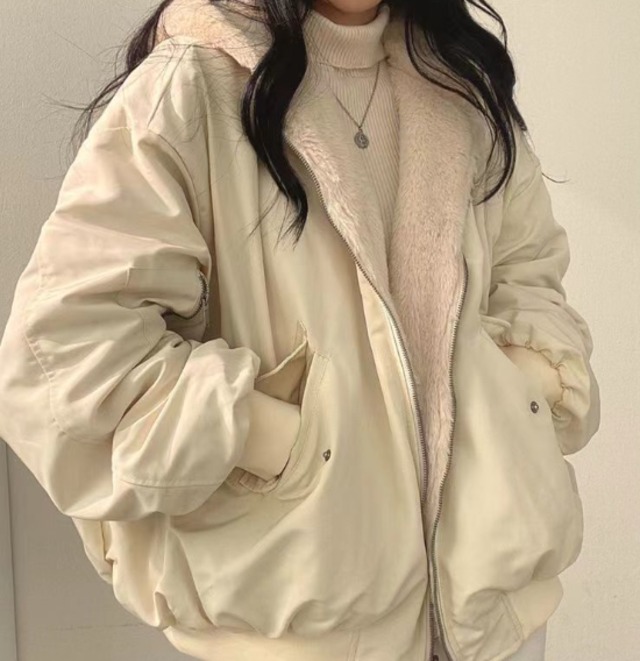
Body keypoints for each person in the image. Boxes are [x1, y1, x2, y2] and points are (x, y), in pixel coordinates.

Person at [0, 0, 601, 659]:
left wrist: (525, 392)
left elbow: (529, 270)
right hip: (302, 628)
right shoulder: (192, 88)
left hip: (499, 623)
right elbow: (61, 356)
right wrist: (276, 441)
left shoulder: (458, 81)